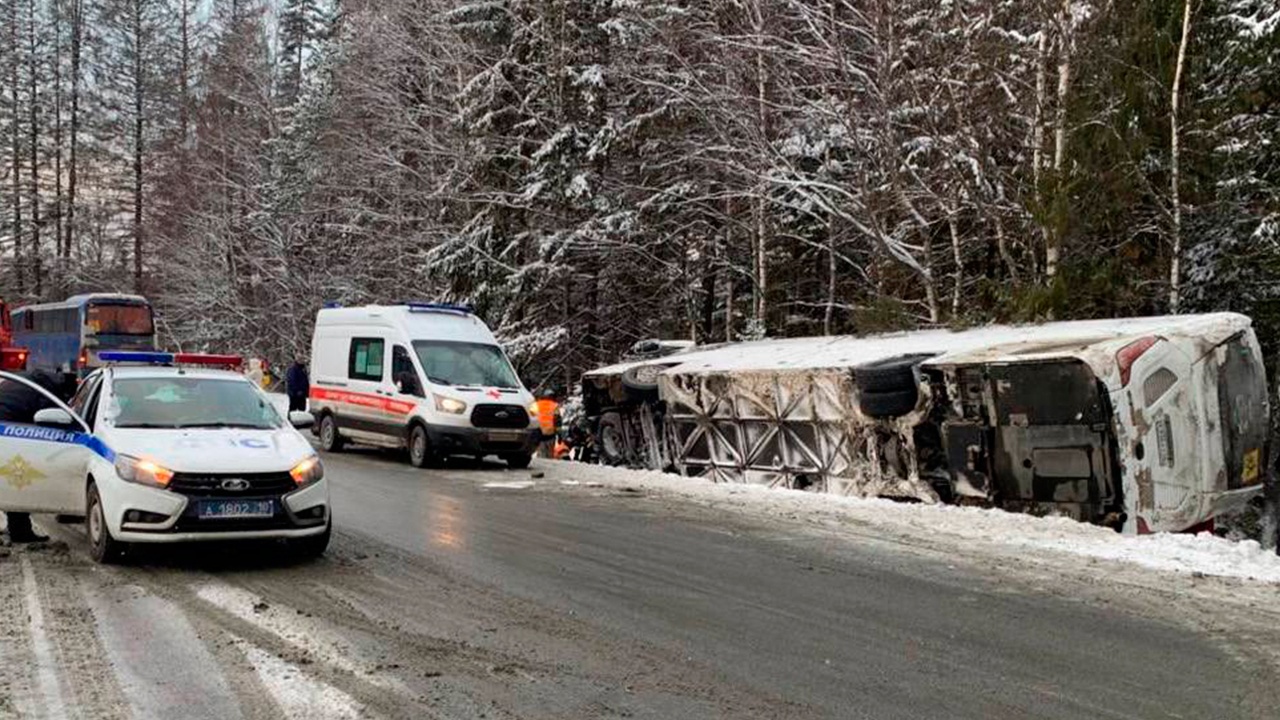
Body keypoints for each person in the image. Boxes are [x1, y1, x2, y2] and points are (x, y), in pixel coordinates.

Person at [0, 369, 77, 544]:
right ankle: (20, 532)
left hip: (6, 428)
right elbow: (55, 421)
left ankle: (18, 529)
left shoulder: (32, 380)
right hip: (9, 431)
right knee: (18, 479)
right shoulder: (48, 392)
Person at [533, 390, 561, 459]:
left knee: (541, 455)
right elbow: (557, 421)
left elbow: (531, 418)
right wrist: (559, 434)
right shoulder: (555, 406)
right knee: (549, 455)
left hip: (539, 433)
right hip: (550, 434)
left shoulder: (536, 404)